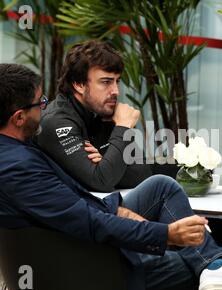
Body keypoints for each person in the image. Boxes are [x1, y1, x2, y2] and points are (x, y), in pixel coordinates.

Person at [0, 63, 222, 290]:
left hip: (69, 248)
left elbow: (88, 198)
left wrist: (119, 209)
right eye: (40, 103)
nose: (45, 108)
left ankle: (216, 265)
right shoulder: (18, 167)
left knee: (161, 187)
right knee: (201, 270)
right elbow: (90, 220)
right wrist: (164, 233)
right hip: (89, 271)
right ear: (18, 117)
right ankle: (216, 267)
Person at [36, 40, 152, 192]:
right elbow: (101, 181)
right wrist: (123, 128)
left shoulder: (105, 113)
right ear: (79, 84)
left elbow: (143, 173)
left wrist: (106, 163)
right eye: (106, 82)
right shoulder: (56, 121)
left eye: (117, 81)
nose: (116, 91)